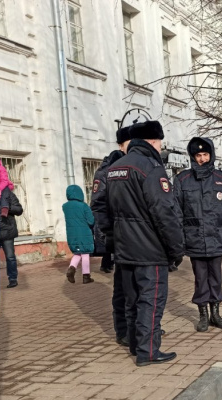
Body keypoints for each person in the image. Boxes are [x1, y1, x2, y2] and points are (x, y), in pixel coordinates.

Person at [105, 120, 184, 366]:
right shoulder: (151, 168)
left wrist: (113, 240)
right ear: (152, 141)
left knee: (132, 299)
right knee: (151, 299)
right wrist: (176, 248)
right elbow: (164, 212)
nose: (161, 147)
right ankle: (148, 351)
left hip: (124, 248)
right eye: (160, 142)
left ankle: (134, 344)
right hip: (150, 249)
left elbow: (104, 210)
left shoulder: (115, 168)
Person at [178, 137, 222, 333]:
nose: (202, 159)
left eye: (205, 154)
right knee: (200, 278)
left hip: (216, 238)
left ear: (211, 155)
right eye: (198, 155)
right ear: (193, 157)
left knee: (216, 278)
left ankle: (216, 314)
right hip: (194, 239)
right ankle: (203, 315)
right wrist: (179, 241)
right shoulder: (182, 179)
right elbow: (176, 212)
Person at [90, 125, 131, 346]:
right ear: (121, 145)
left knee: (140, 287)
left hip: (138, 238)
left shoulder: (140, 165)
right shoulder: (106, 170)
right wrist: (110, 234)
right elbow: (98, 206)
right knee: (122, 287)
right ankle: (122, 330)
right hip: (119, 237)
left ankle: (144, 326)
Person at [63, 185, 96, 284]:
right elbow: (91, 221)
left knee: (77, 253)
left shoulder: (65, 206)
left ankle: (71, 269)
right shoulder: (84, 206)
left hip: (72, 234)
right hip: (84, 233)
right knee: (85, 253)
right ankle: (86, 276)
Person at [0, 186, 23, 288]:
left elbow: (19, 209)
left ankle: (13, 279)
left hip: (7, 231)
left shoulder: (7, 193)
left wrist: (8, 207)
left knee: (10, 257)